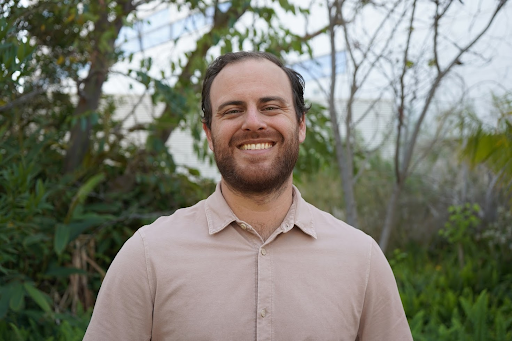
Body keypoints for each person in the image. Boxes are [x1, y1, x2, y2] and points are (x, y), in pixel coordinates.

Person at [83, 51, 413, 341]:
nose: (253, 123)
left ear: (300, 125)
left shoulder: (362, 259)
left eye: (270, 106)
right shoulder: (147, 257)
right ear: (209, 134)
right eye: (232, 110)